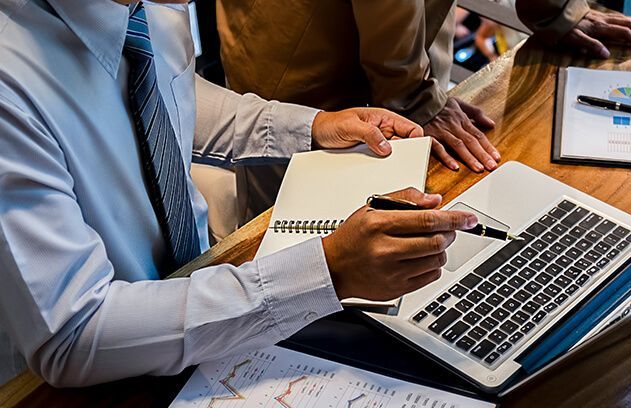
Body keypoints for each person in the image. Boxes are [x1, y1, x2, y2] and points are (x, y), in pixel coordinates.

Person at [0, 0, 477, 387]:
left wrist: (309, 126)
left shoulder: (147, 10)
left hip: (202, 304)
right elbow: (74, 334)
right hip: (84, 393)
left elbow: (167, 90)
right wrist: (327, 270)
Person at [216, 0, 631, 174]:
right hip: (304, 51)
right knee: (286, 219)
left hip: (409, 45)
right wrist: (414, 96)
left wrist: (553, 8)